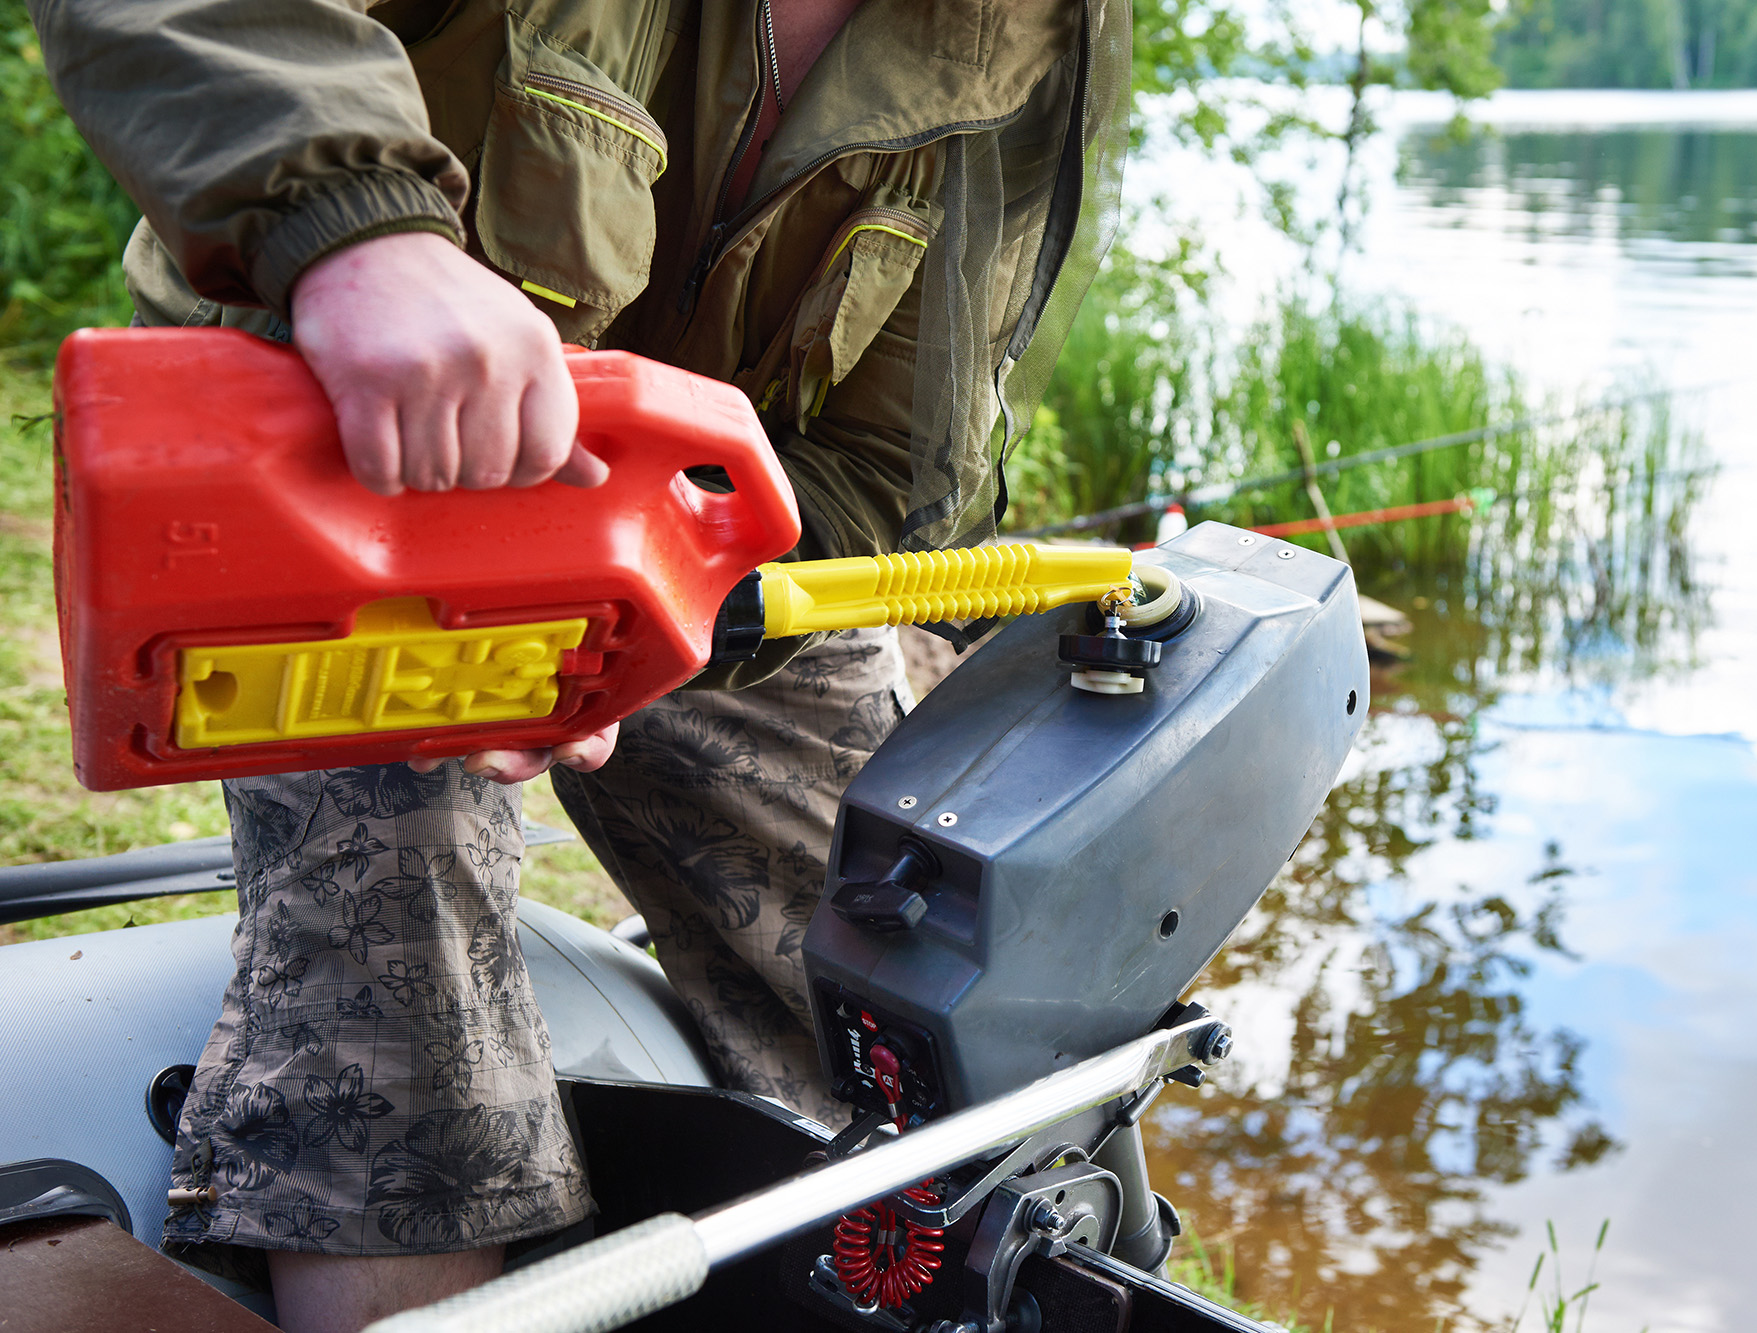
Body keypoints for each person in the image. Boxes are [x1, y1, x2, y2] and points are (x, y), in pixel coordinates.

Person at [30, 0, 1130, 1329]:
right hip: (345, 483)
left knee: (919, 948)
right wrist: (350, 225)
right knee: (401, 966)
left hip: (699, 549)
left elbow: (894, 458)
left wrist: (656, 612)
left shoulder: (1032, 32)